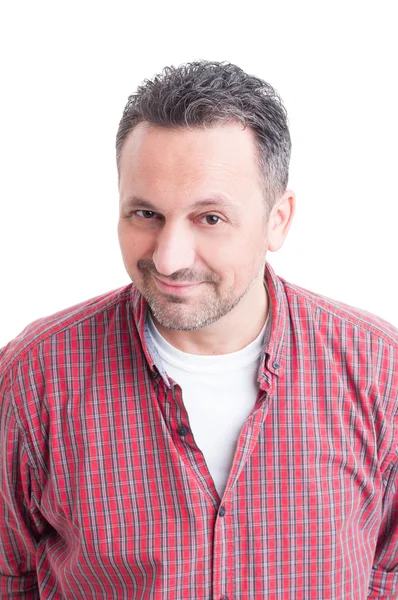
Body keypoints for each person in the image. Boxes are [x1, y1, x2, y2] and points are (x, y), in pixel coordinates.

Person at [0, 60, 397, 600]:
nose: (168, 258)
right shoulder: (34, 377)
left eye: (209, 218)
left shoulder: (379, 370)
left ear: (278, 220)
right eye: (145, 214)